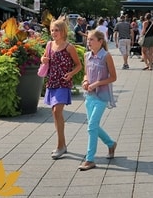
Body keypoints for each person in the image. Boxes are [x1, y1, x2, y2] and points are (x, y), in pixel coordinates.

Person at [41, 18, 83, 159]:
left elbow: (78, 65)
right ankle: (62, 144)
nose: (54, 33)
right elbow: (45, 58)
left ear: (63, 31)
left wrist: (71, 74)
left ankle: (60, 145)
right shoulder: (49, 45)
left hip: (63, 83)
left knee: (57, 110)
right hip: (52, 82)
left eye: (56, 30)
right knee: (55, 113)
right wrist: (43, 60)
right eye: (52, 30)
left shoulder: (69, 47)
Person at [78, 30, 117, 171]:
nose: (88, 42)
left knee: (91, 126)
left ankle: (90, 159)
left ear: (100, 41)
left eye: (92, 39)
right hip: (89, 96)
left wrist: (97, 83)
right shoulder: (86, 56)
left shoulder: (106, 56)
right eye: (88, 39)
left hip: (102, 96)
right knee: (93, 126)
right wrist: (85, 81)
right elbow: (85, 74)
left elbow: (113, 77)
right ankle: (111, 143)